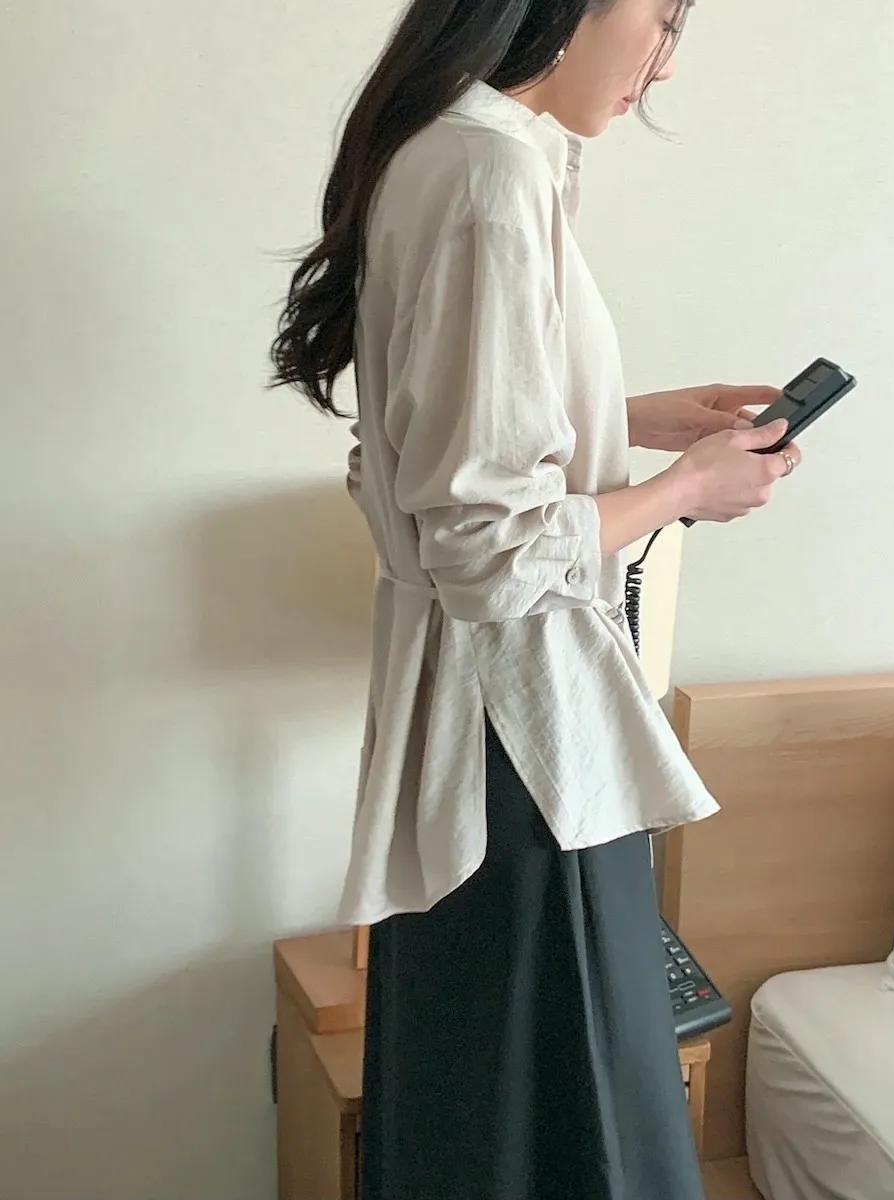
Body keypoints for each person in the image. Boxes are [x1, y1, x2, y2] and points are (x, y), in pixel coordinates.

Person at [271, 1, 802, 1196]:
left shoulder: (455, 146)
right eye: (660, 16)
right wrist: (686, 490)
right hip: (525, 735)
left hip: (492, 729)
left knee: (487, 1110)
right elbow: (489, 546)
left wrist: (633, 422)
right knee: (576, 1124)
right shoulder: (490, 172)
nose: (666, 61)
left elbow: (437, 439)